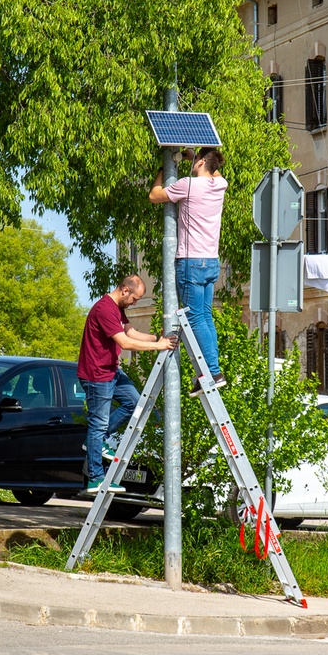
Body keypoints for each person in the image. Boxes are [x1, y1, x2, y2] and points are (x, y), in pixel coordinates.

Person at [78, 275, 177, 493]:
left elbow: (130, 332)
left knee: (134, 403)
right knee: (98, 424)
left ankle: (97, 440)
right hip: (97, 375)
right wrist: (160, 347)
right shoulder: (104, 309)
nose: (135, 303)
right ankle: (96, 478)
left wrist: (155, 338)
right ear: (124, 291)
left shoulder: (117, 309)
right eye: (134, 298)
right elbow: (125, 342)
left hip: (112, 371)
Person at [149, 146, 228, 395]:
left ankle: (212, 373)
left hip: (190, 261)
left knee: (194, 319)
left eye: (196, 160)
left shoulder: (189, 185)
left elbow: (154, 195)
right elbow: (214, 173)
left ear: (202, 161)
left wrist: (164, 168)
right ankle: (210, 371)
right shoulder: (221, 184)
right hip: (210, 261)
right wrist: (195, 156)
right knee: (204, 316)